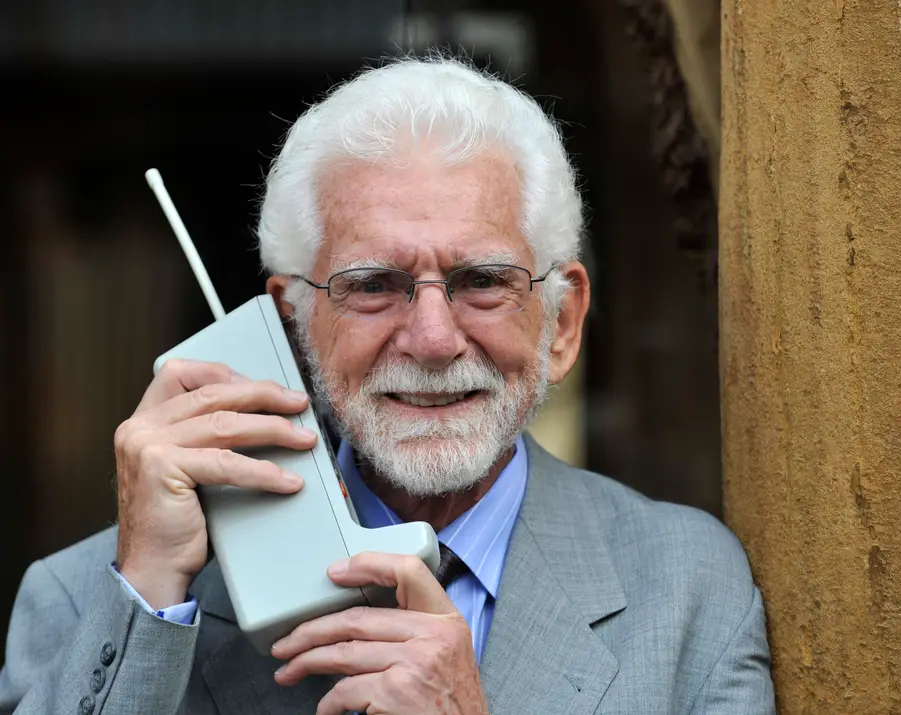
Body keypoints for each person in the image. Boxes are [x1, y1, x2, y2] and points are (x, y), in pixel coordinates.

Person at [0, 55, 774, 715]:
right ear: (295, 326)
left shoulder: (687, 588)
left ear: (562, 322)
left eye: (482, 280)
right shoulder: (89, 598)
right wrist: (149, 595)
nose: (433, 339)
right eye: (374, 284)